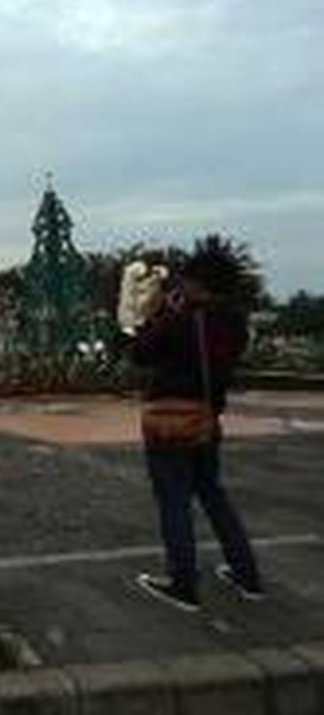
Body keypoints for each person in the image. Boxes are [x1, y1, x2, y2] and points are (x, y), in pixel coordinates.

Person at [130, 242, 263, 611]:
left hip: (171, 423)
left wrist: (161, 315)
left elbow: (139, 352)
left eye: (186, 280)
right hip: (206, 420)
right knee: (214, 495)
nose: (181, 285)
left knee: (174, 502)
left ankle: (183, 585)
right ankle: (247, 576)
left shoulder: (183, 319)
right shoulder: (236, 322)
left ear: (200, 283)